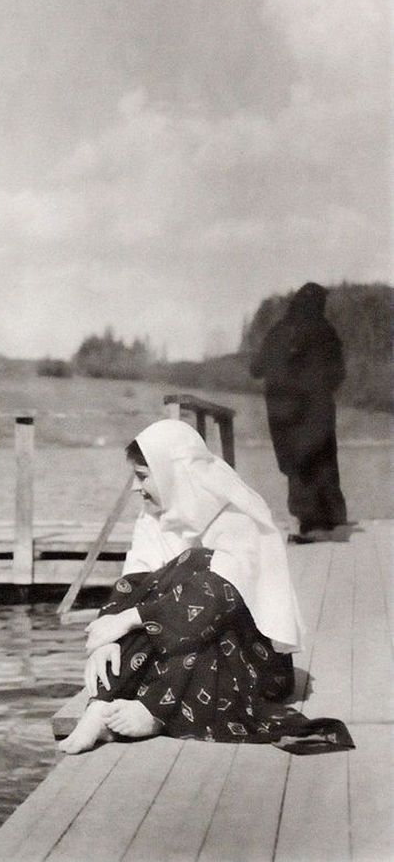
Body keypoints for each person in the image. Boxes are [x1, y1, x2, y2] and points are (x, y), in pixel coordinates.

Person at [58, 419, 353, 755]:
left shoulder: (237, 516)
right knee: (151, 593)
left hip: (251, 659)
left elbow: (220, 598)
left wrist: (126, 620)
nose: (135, 489)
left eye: (142, 476)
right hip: (180, 647)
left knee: (196, 564)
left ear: (173, 472)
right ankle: (103, 707)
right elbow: (134, 581)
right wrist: (105, 636)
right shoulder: (155, 516)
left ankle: (154, 711)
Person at [249, 282, 347, 541]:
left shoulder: (278, 332)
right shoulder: (326, 331)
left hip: (283, 411)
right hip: (318, 409)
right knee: (322, 459)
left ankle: (307, 522)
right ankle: (329, 520)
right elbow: (339, 374)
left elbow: (256, 368)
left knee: (295, 464)